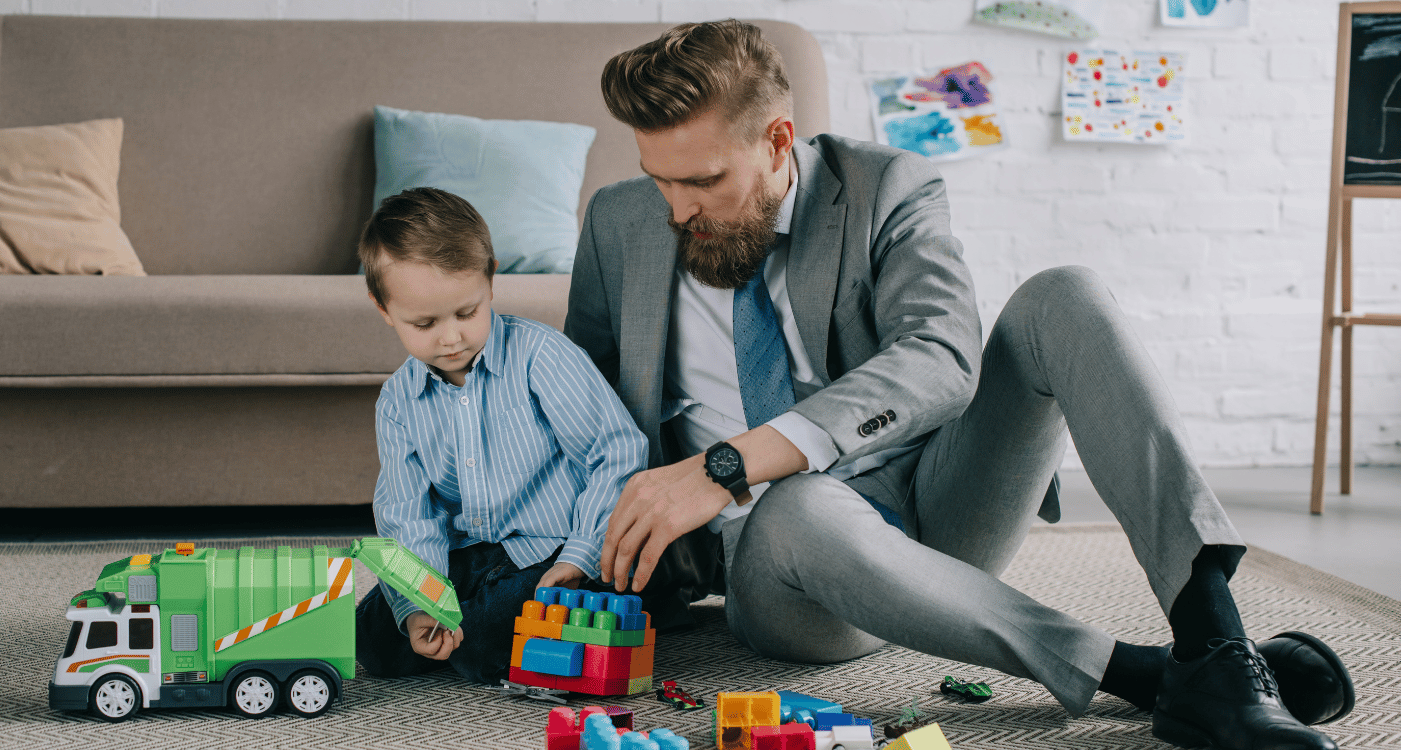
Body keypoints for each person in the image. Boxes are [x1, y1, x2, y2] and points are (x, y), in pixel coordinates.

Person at [565, 20, 1353, 750]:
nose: (676, 209)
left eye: (702, 180)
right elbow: (582, 407)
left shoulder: (885, 185)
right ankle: (1142, 675)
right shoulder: (619, 222)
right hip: (784, 568)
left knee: (1065, 295)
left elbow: (941, 355)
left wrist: (724, 464)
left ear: (778, 141)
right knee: (798, 500)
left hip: (937, 500)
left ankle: (1213, 642)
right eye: (658, 179)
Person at [352, 187, 647, 684]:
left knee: (486, 636)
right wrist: (423, 603)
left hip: (552, 549)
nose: (450, 338)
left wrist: (581, 554)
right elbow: (408, 514)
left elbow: (616, 453)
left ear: (490, 282)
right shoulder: (398, 401)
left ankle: (494, 635)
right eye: (424, 323)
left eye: (466, 313)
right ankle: (462, 635)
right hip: (469, 556)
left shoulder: (543, 357)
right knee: (372, 640)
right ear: (383, 309)